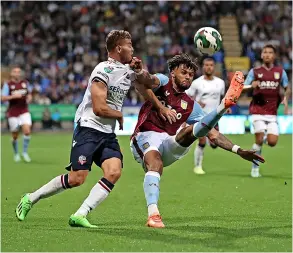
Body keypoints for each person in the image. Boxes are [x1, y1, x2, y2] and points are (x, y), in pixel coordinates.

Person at [15, 30, 176, 228]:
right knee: (77, 178)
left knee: (114, 171)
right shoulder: (103, 70)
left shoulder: (128, 71)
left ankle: (80, 214)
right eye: (129, 45)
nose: (132, 49)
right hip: (88, 128)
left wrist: (158, 103)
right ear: (118, 48)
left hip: (107, 134)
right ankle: (31, 198)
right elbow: (99, 109)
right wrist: (118, 115)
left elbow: (147, 87)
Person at [130, 54, 265, 228]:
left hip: (169, 141)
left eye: (190, 74)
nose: (187, 76)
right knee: (155, 163)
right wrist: (140, 70)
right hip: (145, 136)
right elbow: (146, 79)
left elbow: (213, 134)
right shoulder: (163, 82)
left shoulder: (191, 105)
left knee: (190, 131)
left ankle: (223, 105)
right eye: (183, 72)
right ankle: (153, 214)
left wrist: (238, 150)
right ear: (172, 73)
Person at [243, 44, 290, 178]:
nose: (267, 54)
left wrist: (286, 99)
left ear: (274, 55)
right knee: (258, 140)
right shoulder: (255, 72)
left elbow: (287, 87)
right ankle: (255, 169)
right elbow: (243, 87)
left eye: (270, 52)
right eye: (265, 52)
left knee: (272, 142)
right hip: (257, 111)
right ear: (262, 55)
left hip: (272, 113)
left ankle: (262, 140)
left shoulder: (280, 72)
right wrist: (251, 86)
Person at [186, 57, 230, 175]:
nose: (208, 67)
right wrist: (196, 103)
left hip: (215, 117)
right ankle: (197, 166)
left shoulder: (220, 83)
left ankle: (201, 159)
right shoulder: (196, 83)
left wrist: (226, 107)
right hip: (200, 117)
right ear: (202, 67)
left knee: (215, 144)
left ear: (214, 67)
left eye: (211, 65)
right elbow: (186, 97)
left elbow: (222, 98)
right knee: (202, 141)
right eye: (206, 65)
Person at [1, 67, 32, 162]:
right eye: (15, 71)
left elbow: (29, 93)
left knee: (27, 131)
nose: (17, 73)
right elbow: (3, 98)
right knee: (15, 134)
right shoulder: (8, 85)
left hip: (24, 110)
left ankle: (25, 153)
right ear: (11, 73)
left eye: (19, 72)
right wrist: (13, 96)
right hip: (13, 111)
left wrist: (29, 98)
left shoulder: (25, 83)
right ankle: (16, 154)